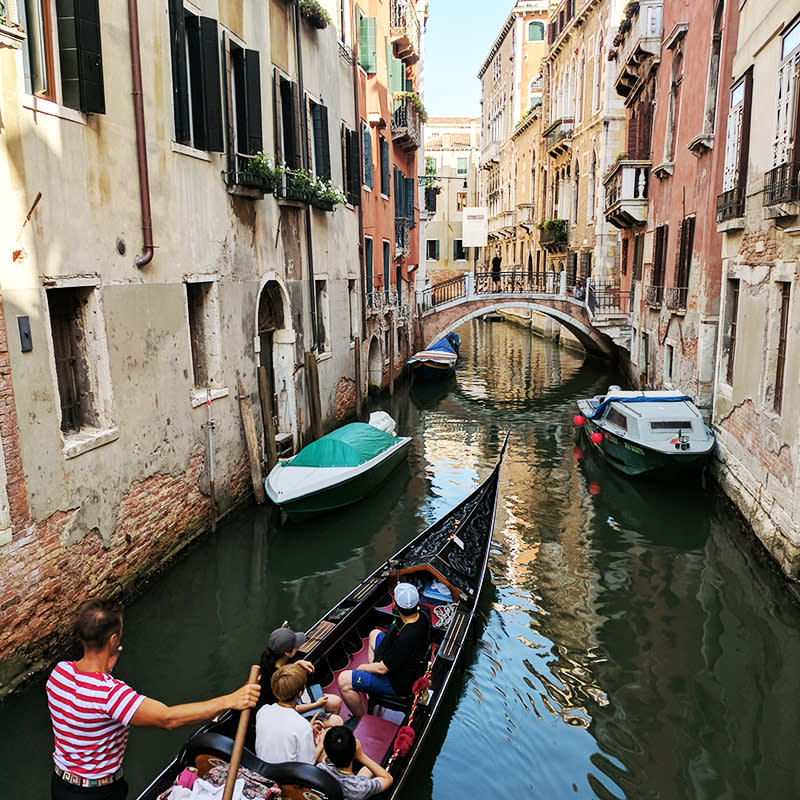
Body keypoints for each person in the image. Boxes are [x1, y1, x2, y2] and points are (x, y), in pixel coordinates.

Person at [46, 599, 260, 800]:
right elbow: (167, 718)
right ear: (113, 640)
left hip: (61, 784)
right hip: (98, 793)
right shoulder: (110, 694)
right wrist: (231, 700)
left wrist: (105, 667)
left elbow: (84, 701)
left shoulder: (58, 673)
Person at [337, 583, 431, 720]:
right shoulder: (423, 614)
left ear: (396, 604)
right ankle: (370, 685)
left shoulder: (405, 639)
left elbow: (383, 669)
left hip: (398, 682)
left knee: (343, 680)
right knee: (374, 634)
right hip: (409, 661)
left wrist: (362, 667)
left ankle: (361, 718)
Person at [257, 624, 342, 720]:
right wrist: (316, 704)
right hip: (285, 714)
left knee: (335, 702)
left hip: (292, 699)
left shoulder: (272, 661)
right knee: (336, 714)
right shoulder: (279, 681)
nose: (298, 646)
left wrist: (296, 664)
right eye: (295, 645)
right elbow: (288, 708)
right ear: (287, 653)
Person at [255, 663, 325, 765]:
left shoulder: (263, 711)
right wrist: (322, 743)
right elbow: (307, 765)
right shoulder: (302, 726)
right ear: (300, 693)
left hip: (263, 770)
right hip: (287, 778)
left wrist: (308, 729)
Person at [315, 726, 392, 800]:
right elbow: (388, 779)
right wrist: (361, 756)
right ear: (355, 750)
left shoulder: (320, 767)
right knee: (367, 769)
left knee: (366, 770)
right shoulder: (359, 788)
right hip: (352, 789)